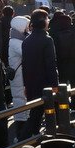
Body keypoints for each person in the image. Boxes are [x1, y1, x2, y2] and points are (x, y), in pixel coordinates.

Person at [21, 9, 59, 138]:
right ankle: (22, 139)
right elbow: (51, 64)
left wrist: (26, 85)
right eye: (47, 19)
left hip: (31, 82)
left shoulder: (27, 40)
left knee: (36, 112)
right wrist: (55, 84)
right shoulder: (47, 40)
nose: (48, 21)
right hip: (45, 83)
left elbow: (25, 66)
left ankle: (35, 136)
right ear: (43, 22)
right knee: (41, 113)